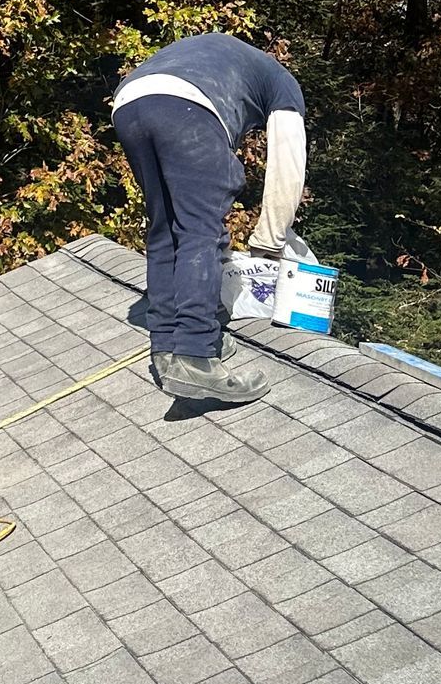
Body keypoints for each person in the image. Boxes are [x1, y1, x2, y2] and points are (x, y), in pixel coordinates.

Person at [111, 32, 307, 406]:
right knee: (199, 231)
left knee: (165, 230)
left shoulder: (227, 57)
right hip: (187, 105)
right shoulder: (285, 86)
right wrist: (268, 243)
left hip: (129, 102)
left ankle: (168, 348)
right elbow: (287, 169)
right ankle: (196, 356)